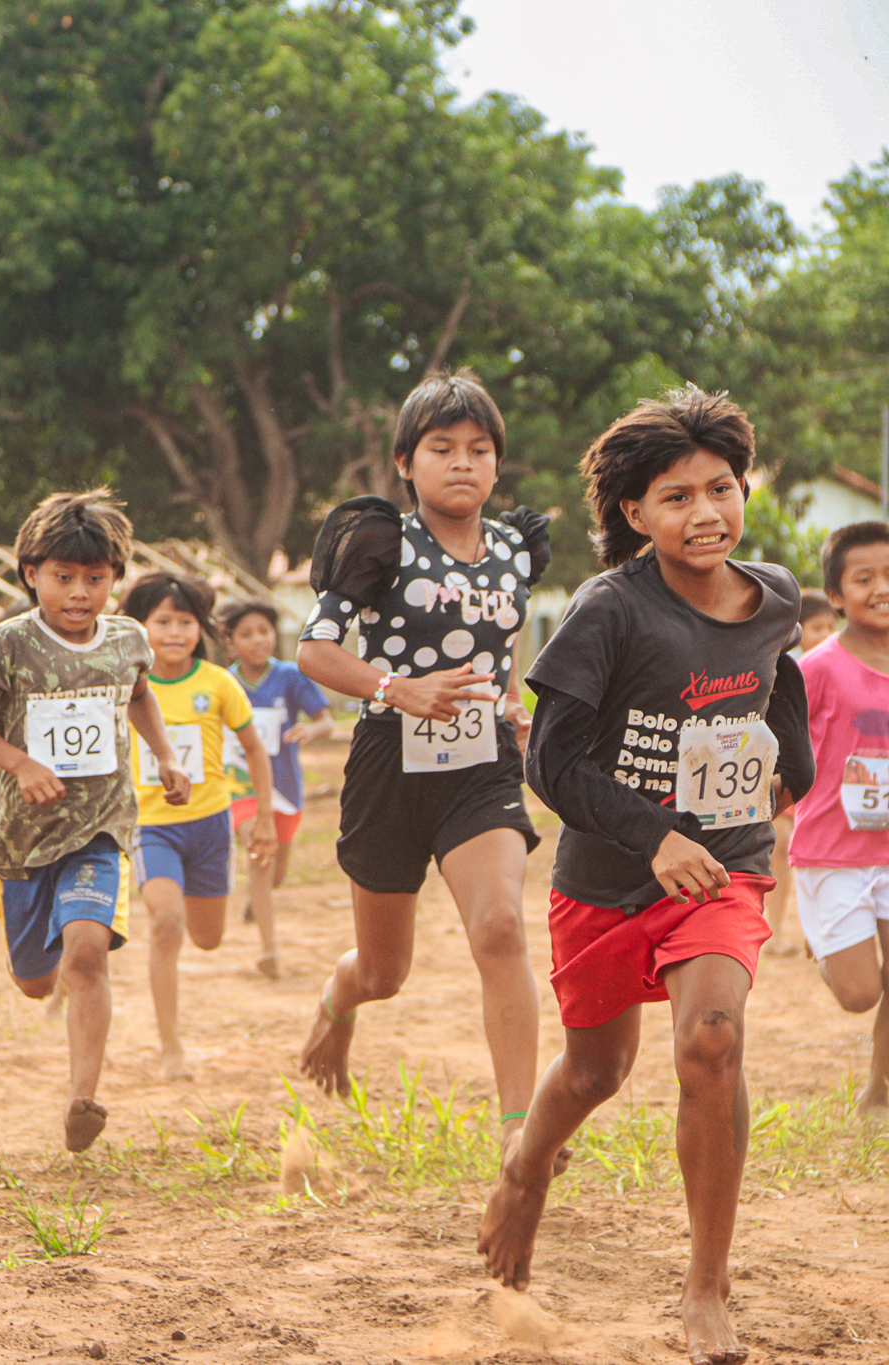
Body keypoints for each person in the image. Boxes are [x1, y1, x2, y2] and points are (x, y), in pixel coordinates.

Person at [479, 387, 812, 1365]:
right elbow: (550, 760)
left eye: (721, 488)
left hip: (724, 865)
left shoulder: (775, 595)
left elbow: (778, 676)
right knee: (596, 1069)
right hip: (607, 875)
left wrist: (787, 769)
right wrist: (654, 835)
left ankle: (706, 1285)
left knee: (711, 1040)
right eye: (676, 497)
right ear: (634, 512)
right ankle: (526, 1165)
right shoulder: (608, 610)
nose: (705, 512)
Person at [295, 369, 551, 1159]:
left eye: (479, 448)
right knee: (385, 971)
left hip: (480, 767)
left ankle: (520, 1130)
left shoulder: (516, 549)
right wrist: (395, 688)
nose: (463, 462)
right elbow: (315, 650)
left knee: (501, 926)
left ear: (498, 462)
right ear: (406, 462)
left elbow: (501, 646)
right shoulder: (380, 543)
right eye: (442, 448)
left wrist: (511, 702)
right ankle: (339, 999)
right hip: (388, 767)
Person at [0, 490, 190, 1151]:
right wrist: (19, 763)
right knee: (34, 982)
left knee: (87, 950)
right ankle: (31, 931)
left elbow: (139, 697)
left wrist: (166, 755)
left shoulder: (129, 640)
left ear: (116, 577)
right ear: (31, 573)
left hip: (101, 826)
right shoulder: (4, 646)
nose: (80, 593)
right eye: (63, 577)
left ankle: (84, 1096)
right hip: (26, 838)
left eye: (95, 578)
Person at [119, 573, 272, 1081]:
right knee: (166, 922)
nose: (174, 633)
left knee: (207, 938)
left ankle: (192, 900)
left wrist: (264, 818)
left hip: (210, 826)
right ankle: (171, 1048)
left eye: (185, 622)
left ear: (199, 628)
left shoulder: (218, 683)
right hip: (152, 827)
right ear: (140, 627)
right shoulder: (123, 687)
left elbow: (254, 750)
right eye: (162, 621)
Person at [787, 523, 889, 1121]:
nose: (882, 589)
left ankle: (880, 1093)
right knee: (860, 993)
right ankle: (826, 945)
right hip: (833, 851)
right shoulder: (817, 668)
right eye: (865, 578)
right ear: (836, 595)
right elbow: (783, 751)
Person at [221, 598, 333, 980]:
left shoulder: (290, 676)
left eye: (264, 631)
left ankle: (258, 900)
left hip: (285, 789)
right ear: (230, 644)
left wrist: (310, 730)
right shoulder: (224, 683)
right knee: (259, 855)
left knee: (276, 871)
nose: (258, 640)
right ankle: (270, 951)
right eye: (246, 634)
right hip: (239, 787)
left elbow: (326, 720)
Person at [766, 590, 843, 954]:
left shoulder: (842, 670)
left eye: (831, 626)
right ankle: (774, 932)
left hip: (829, 784)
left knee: (821, 858)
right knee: (780, 848)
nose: (826, 634)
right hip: (791, 778)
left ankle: (821, 933)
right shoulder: (790, 672)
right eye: (816, 627)